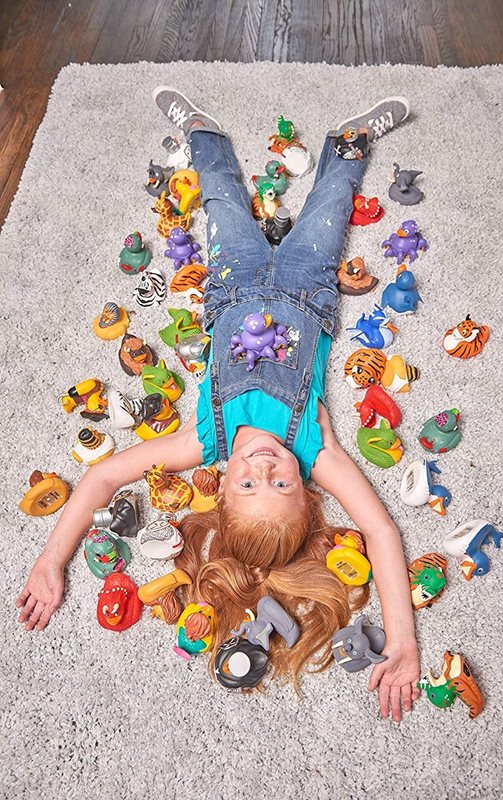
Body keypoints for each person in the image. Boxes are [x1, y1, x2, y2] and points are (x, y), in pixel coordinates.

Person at [17, 89, 420, 720]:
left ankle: (203, 134)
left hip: (232, 285)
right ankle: (352, 140)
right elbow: (381, 531)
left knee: (223, 202)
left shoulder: (202, 441)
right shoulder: (315, 449)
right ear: (308, 492)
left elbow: (102, 477)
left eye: (248, 482)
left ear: (221, 487)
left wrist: (51, 559)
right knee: (332, 203)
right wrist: (403, 643)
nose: (264, 465)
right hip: (307, 287)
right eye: (281, 482)